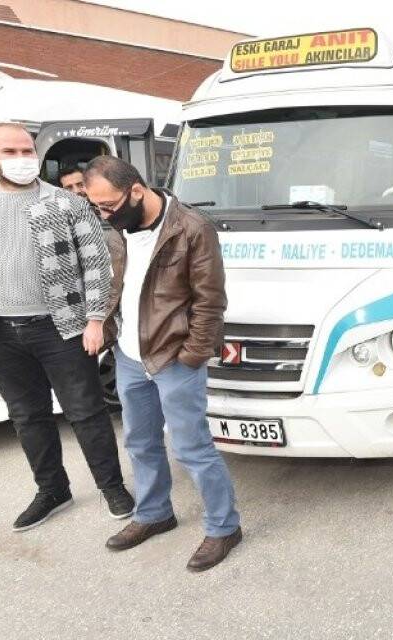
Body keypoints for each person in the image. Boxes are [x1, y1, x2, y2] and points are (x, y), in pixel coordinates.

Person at [0, 123, 134, 531]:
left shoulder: (66, 204)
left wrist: (95, 319)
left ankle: (111, 486)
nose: (22, 159)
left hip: (62, 329)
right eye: (11, 151)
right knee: (27, 416)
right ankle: (52, 488)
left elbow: (98, 264)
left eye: (28, 151)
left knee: (86, 413)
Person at [82, 155, 243, 572]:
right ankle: (155, 514)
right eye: (96, 206)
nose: (103, 214)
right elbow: (119, 282)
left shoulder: (191, 228)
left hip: (173, 358)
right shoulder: (119, 226)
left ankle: (224, 526)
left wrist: (191, 357)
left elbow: (210, 302)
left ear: (136, 191)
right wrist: (102, 323)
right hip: (131, 357)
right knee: (140, 441)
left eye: (108, 205)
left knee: (192, 448)